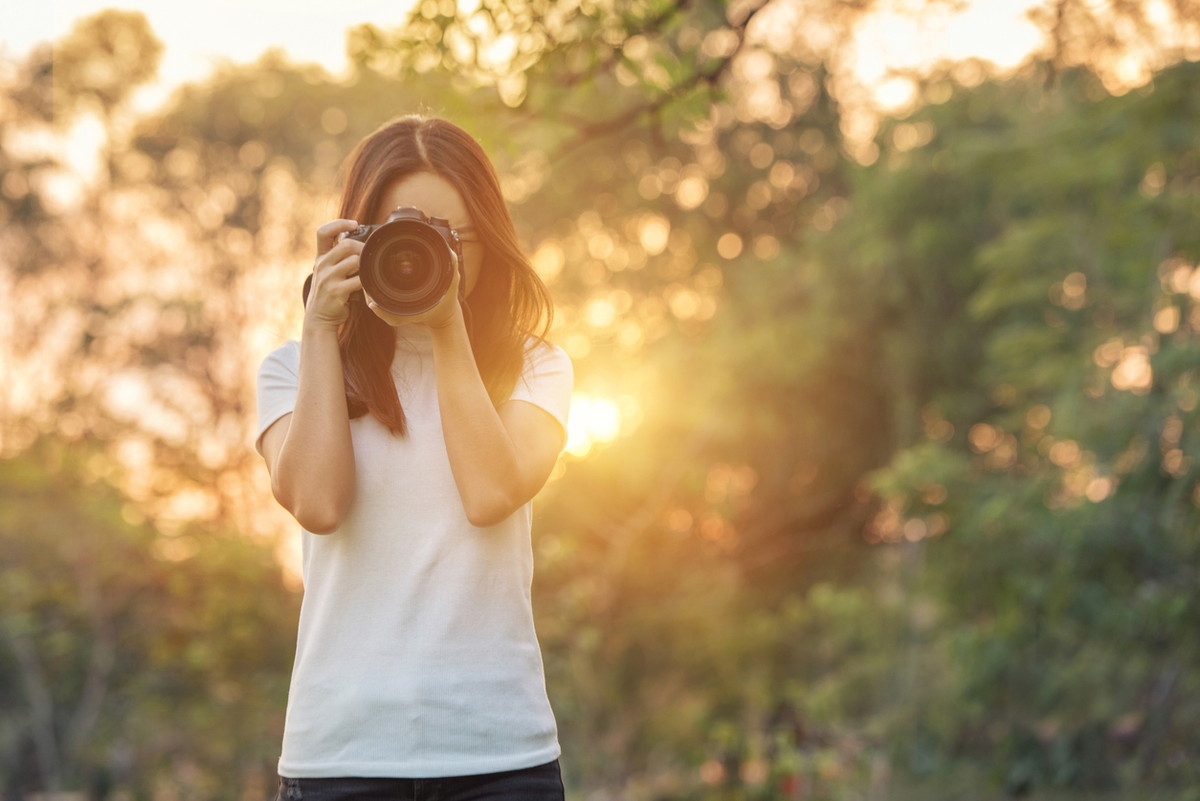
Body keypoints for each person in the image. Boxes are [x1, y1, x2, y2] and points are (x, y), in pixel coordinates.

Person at [255, 115, 572, 801]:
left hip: (500, 754)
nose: (423, 254)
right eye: (404, 232)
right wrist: (319, 329)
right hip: (342, 756)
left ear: (487, 239)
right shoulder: (291, 372)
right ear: (358, 236)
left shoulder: (535, 367)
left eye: (450, 236)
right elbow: (318, 503)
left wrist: (446, 321)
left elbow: (490, 494)